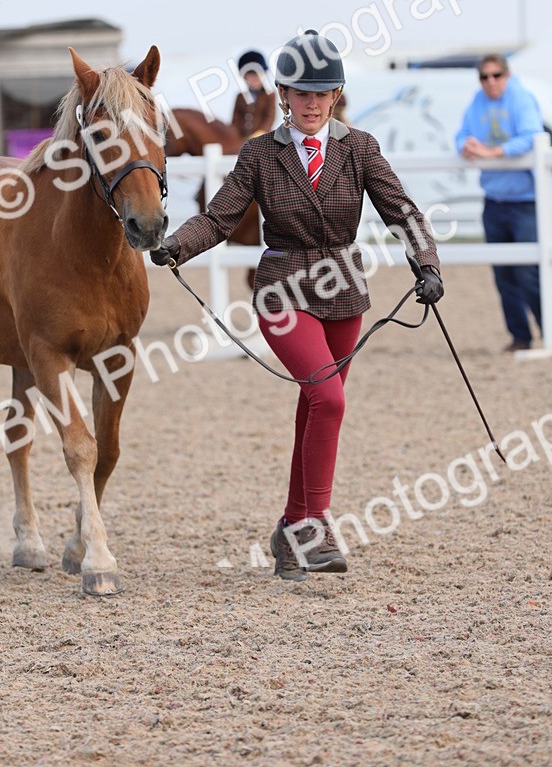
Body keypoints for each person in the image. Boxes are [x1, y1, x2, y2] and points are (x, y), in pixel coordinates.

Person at [151, 29, 443, 582]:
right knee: (329, 399)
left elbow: (401, 210)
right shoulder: (260, 153)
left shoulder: (359, 149)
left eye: (321, 93)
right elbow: (219, 217)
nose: (311, 103)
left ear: (335, 95)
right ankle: (315, 527)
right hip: (283, 290)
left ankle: (290, 528)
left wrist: (426, 263)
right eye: (300, 93)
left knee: (315, 408)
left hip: (344, 292)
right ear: (283, 94)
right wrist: (177, 245)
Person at [455, 53, 543, 352]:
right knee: (504, 275)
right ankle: (520, 338)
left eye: (496, 75)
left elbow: (534, 136)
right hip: (494, 200)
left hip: (525, 202)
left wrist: (494, 152)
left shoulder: (521, 98)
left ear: (507, 74)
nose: (490, 81)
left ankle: (547, 330)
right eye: (484, 76)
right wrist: (465, 145)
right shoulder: (477, 102)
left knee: (529, 273)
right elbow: (462, 134)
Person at [231, 50, 276, 140]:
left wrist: (260, 133)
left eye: (257, 74)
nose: (254, 78)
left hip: (262, 138)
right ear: (245, 77)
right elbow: (235, 119)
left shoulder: (269, 95)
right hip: (241, 139)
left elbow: (269, 117)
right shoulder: (240, 96)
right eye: (251, 75)